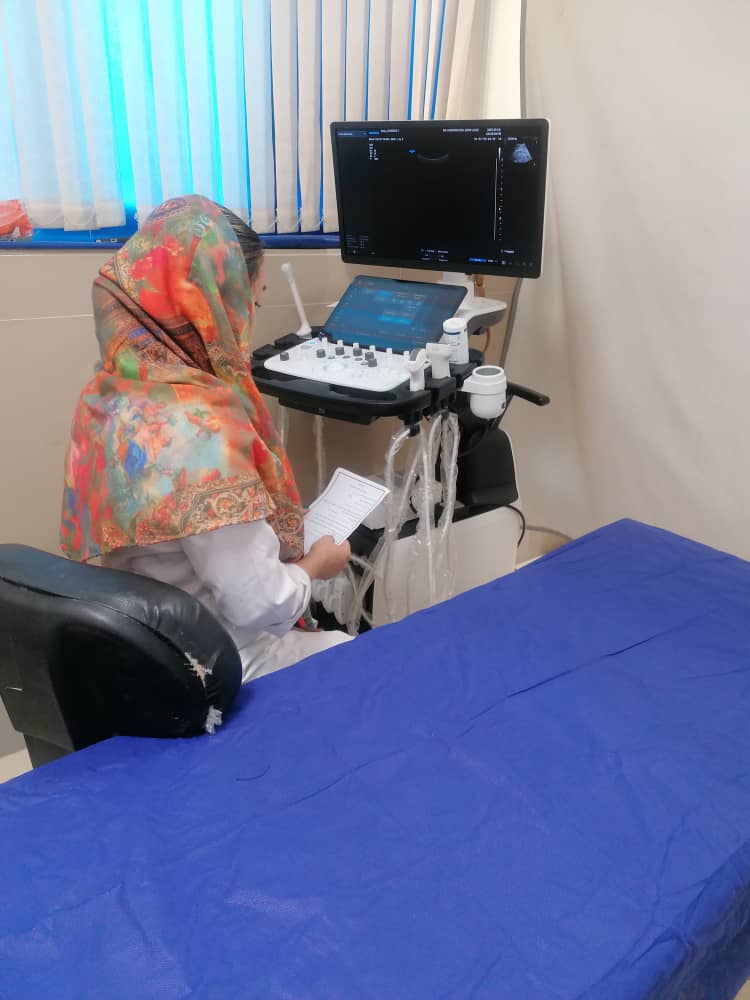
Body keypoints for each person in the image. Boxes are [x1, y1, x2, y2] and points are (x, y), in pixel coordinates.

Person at [61, 195, 352, 681]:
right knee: (357, 653)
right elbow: (259, 606)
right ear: (214, 303)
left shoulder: (107, 397)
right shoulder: (200, 432)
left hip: (139, 648)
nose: (249, 318)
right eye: (251, 300)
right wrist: (316, 566)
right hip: (218, 660)